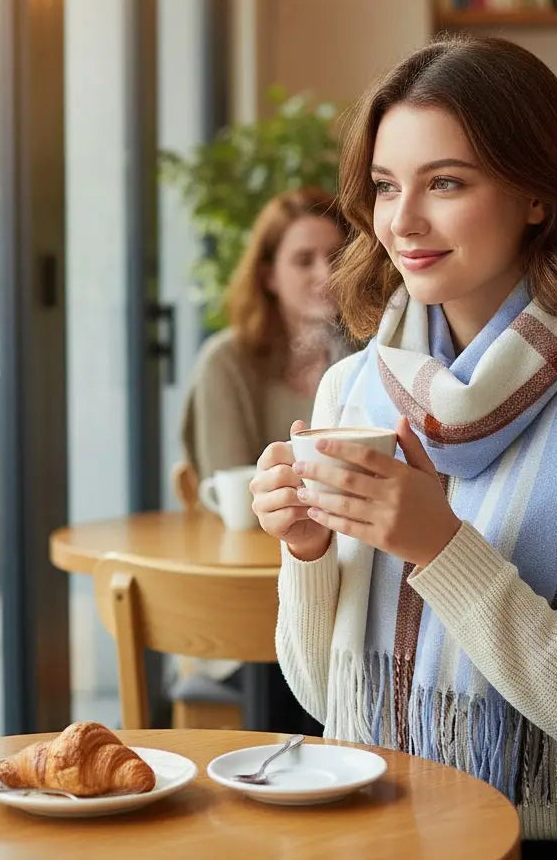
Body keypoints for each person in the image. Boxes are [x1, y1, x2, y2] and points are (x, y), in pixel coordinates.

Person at [252, 35, 557, 858]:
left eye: (446, 183)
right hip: (392, 823)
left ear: (537, 193)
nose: (404, 221)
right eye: (387, 187)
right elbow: (326, 699)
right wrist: (307, 552)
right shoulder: (353, 392)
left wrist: (441, 546)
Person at [179, 185, 349, 735]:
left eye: (337, 256)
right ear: (269, 275)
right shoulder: (228, 362)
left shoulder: (372, 359)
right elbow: (236, 494)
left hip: (346, 592)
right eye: (303, 259)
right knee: (309, 674)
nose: (324, 271)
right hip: (250, 611)